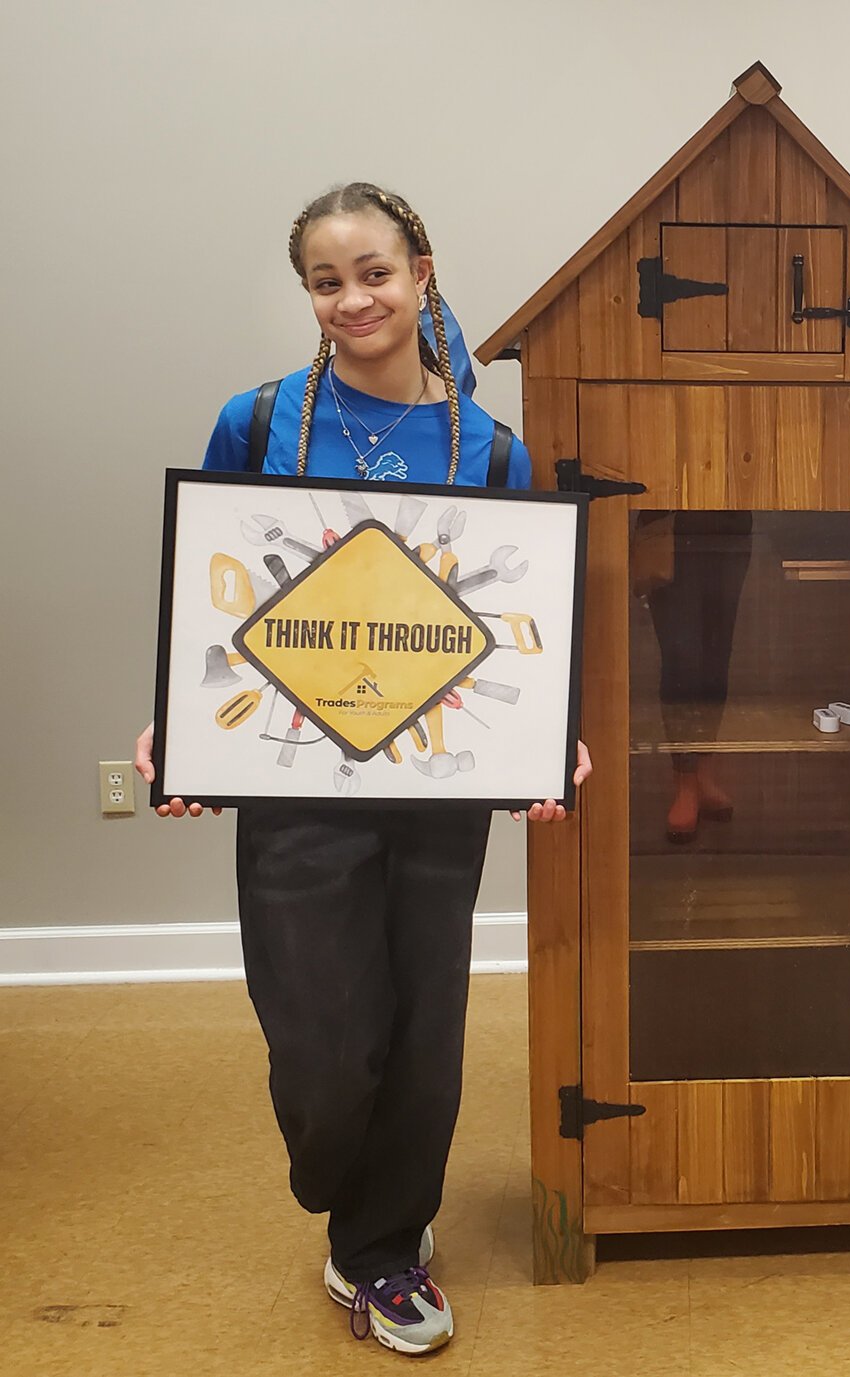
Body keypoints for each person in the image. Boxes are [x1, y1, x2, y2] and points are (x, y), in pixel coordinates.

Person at [133, 182, 592, 1357]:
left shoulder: (486, 446)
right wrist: (176, 728)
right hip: (293, 775)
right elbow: (215, 590)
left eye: (374, 273)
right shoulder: (260, 421)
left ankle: (382, 1247)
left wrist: (550, 732)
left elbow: (515, 608)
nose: (353, 300)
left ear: (422, 271)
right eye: (327, 282)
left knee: (424, 1022)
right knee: (327, 1045)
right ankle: (353, 1190)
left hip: (436, 782)